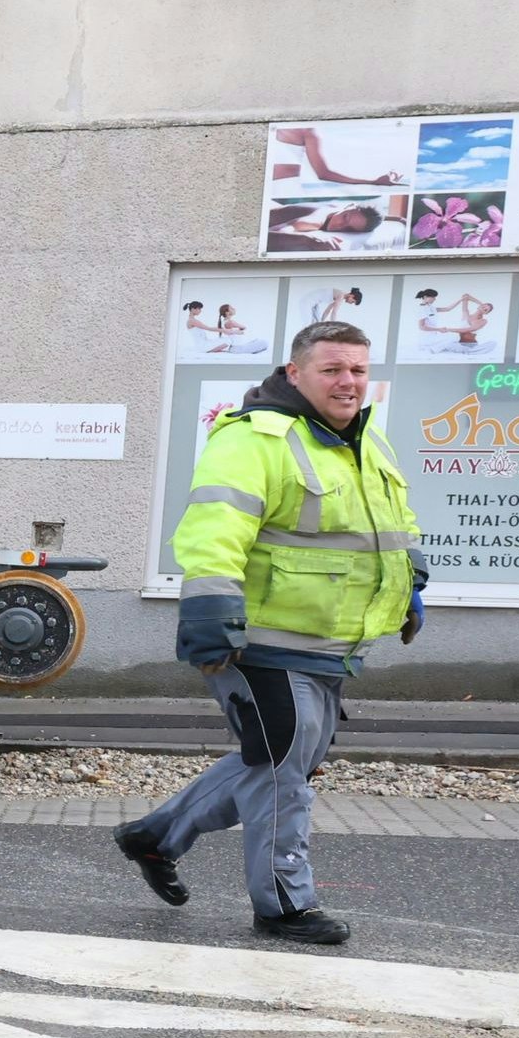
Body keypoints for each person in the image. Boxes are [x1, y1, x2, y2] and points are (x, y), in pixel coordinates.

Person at [116, 319, 424, 946]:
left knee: (280, 762)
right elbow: (213, 532)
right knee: (283, 767)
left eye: (358, 371)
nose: (348, 383)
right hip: (258, 639)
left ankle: (154, 837)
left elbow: (396, 526)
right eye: (332, 369)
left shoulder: (369, 442)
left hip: (332, 646)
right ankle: (284, 902)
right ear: (295, 373)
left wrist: (409, 583)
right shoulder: (255, 439)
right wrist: (210, 615)